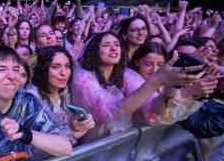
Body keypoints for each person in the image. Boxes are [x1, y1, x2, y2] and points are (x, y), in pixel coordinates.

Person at [72, 32, 203, 141]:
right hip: (93, 148)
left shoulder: (127, 75)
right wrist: (156, 81)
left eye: (117, 44)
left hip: (120, 147)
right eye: (106, 45)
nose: (113, 48)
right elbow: (109, 112)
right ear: (94, 50)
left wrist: (172, 85)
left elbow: (154, 109)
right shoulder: (83, 78)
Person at [28, 46, 95, 140]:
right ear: (43, 69)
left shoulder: (68, 91)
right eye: (55, 67)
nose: (64, 73)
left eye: (67, 66)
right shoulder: (31, 98)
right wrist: (71, 130)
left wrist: (85, 122)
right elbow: (40, 142)